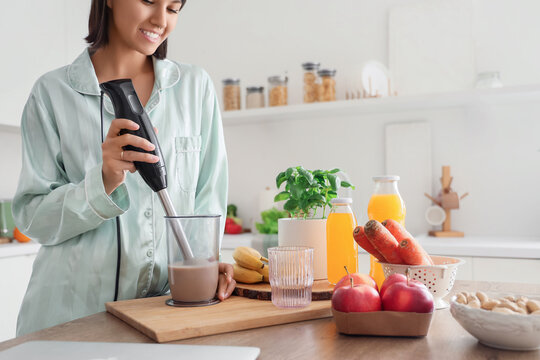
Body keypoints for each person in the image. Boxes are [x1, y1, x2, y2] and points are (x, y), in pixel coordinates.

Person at [13, 0, 234, 336]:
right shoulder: (51, 94)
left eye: (173, 8)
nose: (160, 20)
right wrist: (103, 181)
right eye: (148, 0)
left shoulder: (194, 88)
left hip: (166, 320)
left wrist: (204, 267)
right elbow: (33, 219)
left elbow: (208, 202)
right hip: (68, 325)